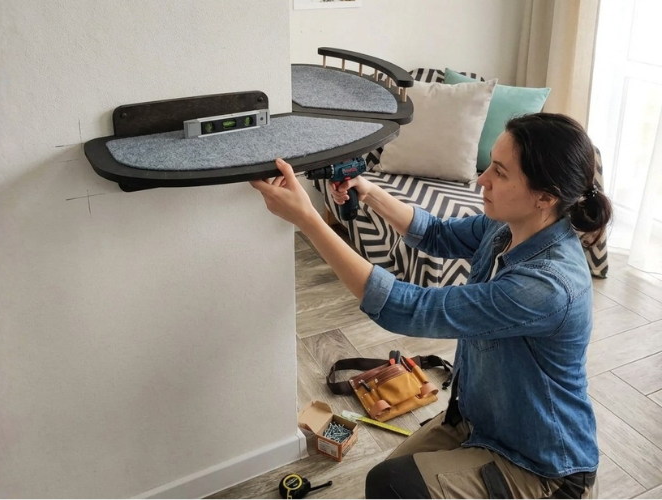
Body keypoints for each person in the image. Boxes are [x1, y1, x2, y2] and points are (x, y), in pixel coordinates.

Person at [250, 113, 611, 499]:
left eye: (501, 173)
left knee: (390, 485)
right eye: (489, 162)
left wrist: (308, 221)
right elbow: (436, 234)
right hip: (478, 421)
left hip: (539, 464)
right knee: (389, 477)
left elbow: (408, 308)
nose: (481, 179)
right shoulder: (507, 227)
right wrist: (366, 189)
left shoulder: (548, 287)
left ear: (546, 196)